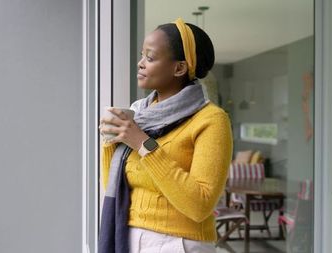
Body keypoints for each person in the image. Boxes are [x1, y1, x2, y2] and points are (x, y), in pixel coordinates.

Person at [98, 18, 233, 253]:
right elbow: (113, 186)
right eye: (142, 56)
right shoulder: (140, 114)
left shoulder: (211, 120)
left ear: (179, 68)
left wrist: (141, 143)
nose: (140, 64)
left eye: (150, 58)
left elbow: (200, 205)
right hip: (128, 237)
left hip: (178, 244)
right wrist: (111, 140)